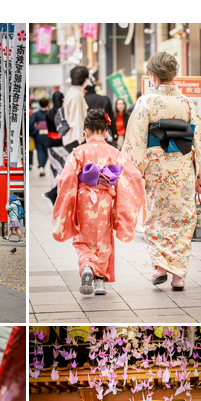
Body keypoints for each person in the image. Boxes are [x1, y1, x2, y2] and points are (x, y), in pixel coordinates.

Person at [122, 51, 201, 290]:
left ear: (152, 75)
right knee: (183, 218)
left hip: (157, 169)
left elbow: (136, 140)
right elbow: (199, 138)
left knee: (156, 217)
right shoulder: (185, 102)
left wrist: (137, 169)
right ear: (173, 75)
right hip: (183, 168)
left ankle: (159, 267)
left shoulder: (147, 102)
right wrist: (200, 175)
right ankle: (178, 276)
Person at [52, 108, 145, 296]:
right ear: (105, 132)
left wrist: (59, 182)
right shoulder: (114, 153)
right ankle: (100, 281)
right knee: (103, 239)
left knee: (81, 238)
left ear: (85, 132)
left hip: (83, 198)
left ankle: (86, 266)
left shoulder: (78, 152)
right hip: (104, 199)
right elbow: (133, 176)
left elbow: (67, 178)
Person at [42, 91, 69, 209]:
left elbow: (49, 130)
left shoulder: (48, 113)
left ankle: (55, 195)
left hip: (52, 145)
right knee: (66, 169)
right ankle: (61, 196)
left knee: (55, 171)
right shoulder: (66, 113)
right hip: (65, 144)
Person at [62, 66, 89, 153]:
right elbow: (77, 120)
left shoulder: (71, 92)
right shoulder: (77, 95)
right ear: (85, 80)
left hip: (70, 139)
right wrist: (81, 140)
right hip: (75, 140)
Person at [29, 97, 49, 176]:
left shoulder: (36, 114)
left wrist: (34, 132)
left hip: (38, 135)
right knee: (46, 152)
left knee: (40, 151)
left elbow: (30, 124)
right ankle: (42, 165)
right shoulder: (49, 113)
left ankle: (41, 167)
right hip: (48, 135)